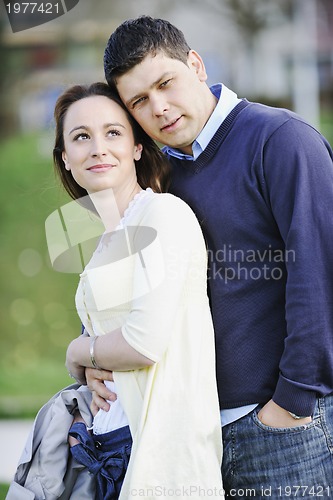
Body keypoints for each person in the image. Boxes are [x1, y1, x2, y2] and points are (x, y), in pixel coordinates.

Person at [84, 15, 333, 497]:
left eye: (165, 83)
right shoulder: (159, 177)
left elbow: (320, 279)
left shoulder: (280, 140)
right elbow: (120, 282)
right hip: (189, 435)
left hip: (281, 431)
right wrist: (91, 357)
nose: (159, 107)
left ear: (195, 65)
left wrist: (292, 404)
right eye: (139, 100)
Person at [52, 82, 223, 499]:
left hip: (159, 456)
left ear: (137, 148)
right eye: (81, 137)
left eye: (113, 133)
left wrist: (78, 353)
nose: (97, 148)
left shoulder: (163, 215)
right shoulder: (109, 237)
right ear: (65, 158)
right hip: (110, 449)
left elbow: (143, 343)